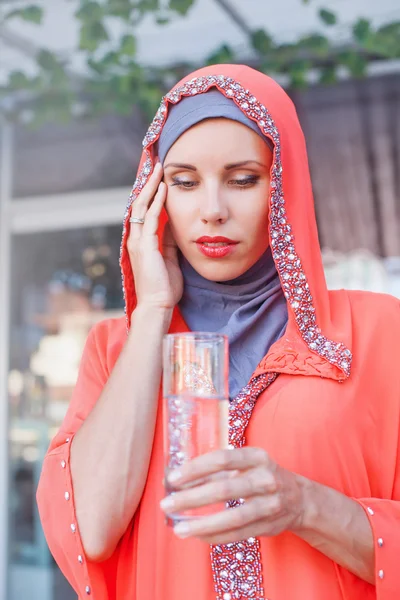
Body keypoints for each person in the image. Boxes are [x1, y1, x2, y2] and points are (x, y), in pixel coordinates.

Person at [36, 64, 400, 600]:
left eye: (243, 178)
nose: (212, 211)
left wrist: (306, 506)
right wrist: (153, 311)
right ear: (155, 199)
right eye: (184, 183)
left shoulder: (378, 334)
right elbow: (90, 528)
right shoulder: (115, 350)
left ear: (284, 186)